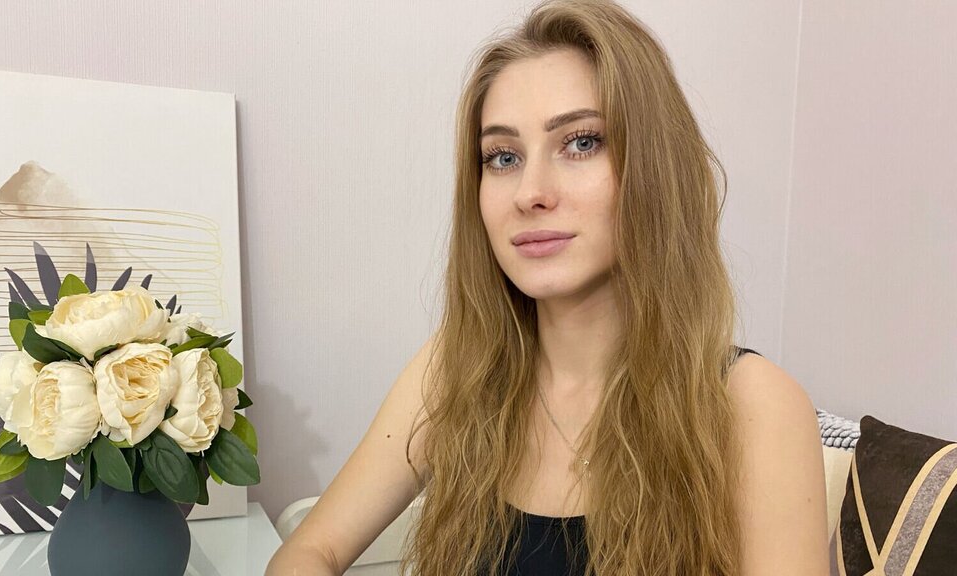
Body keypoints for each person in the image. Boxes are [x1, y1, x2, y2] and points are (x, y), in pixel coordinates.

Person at [267, 0, 829, 574]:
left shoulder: (753, 405)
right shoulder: (456, 371)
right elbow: (311, 550)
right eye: (502, 156)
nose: (530, 192)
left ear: (657, 168)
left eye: (581, 142)